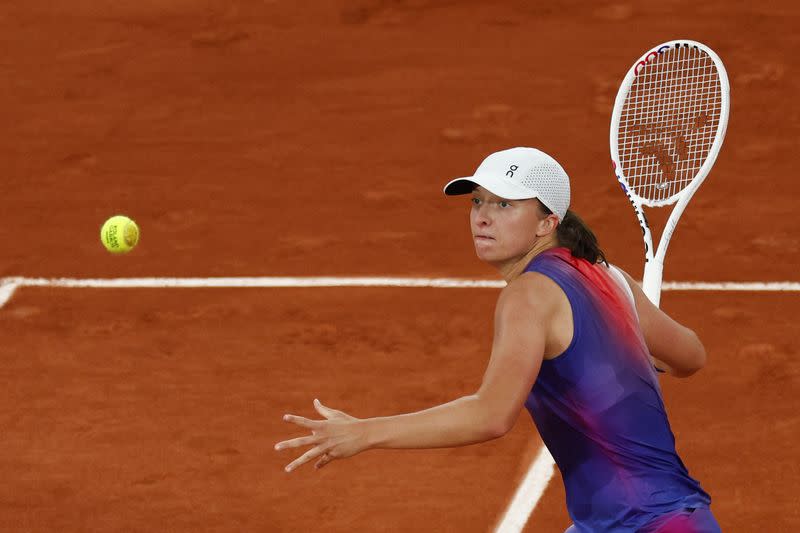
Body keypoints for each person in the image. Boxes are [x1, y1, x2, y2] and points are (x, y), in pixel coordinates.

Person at [275, 147, 721, 532]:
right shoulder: (609, 276)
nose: (483, 216)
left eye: (505, 205)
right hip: (665, 518)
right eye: (478, 202)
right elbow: (691, 355)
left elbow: (491, 415)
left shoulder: (528, 296)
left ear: (547, 223)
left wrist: (364, 433)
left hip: (645, 524)